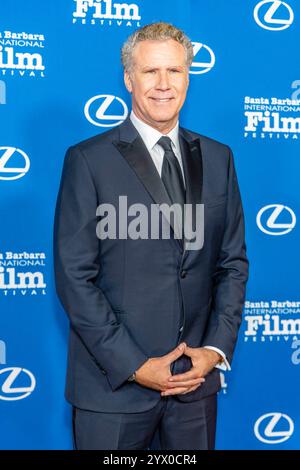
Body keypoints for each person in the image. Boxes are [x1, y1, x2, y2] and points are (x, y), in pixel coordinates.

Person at [53, 21, 249, 450]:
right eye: (150, 72)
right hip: (112, 392)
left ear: (188, 77)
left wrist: (214, 351)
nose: (164, 85)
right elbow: (75, 277)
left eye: (174, 72)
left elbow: (232, 263)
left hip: (194, 389)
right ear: (128, 78)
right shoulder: (88, 160)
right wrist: (135, 365)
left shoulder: (219, 158)